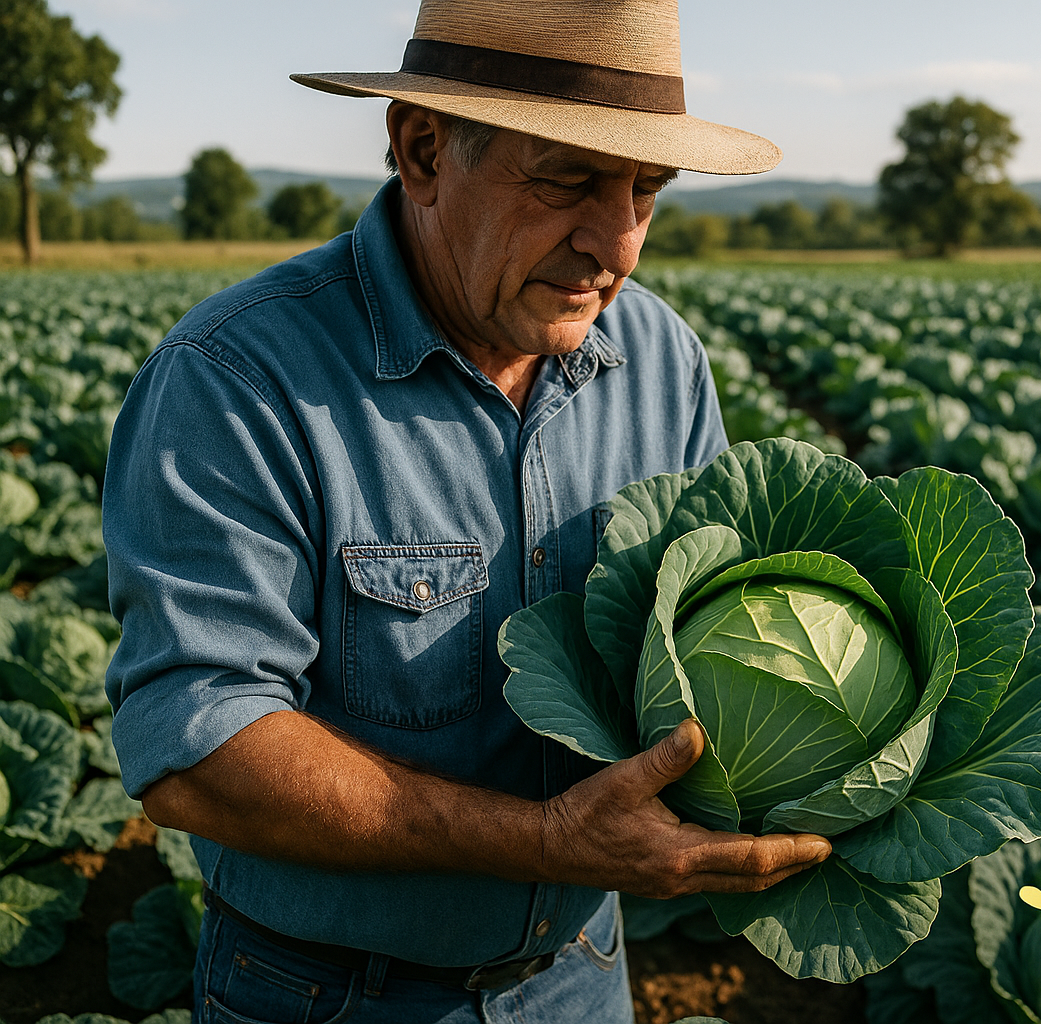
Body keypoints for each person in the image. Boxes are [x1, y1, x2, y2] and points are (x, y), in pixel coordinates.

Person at [101, 2, 831, 1022]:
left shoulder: (664, 361)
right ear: (423, 147)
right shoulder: (235, 380)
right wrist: (540, 840)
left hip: (581, 974)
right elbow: (199, 750)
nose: (616, 241)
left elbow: (724, 628)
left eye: (646, 189)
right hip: (324, 994)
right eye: (567, 178)